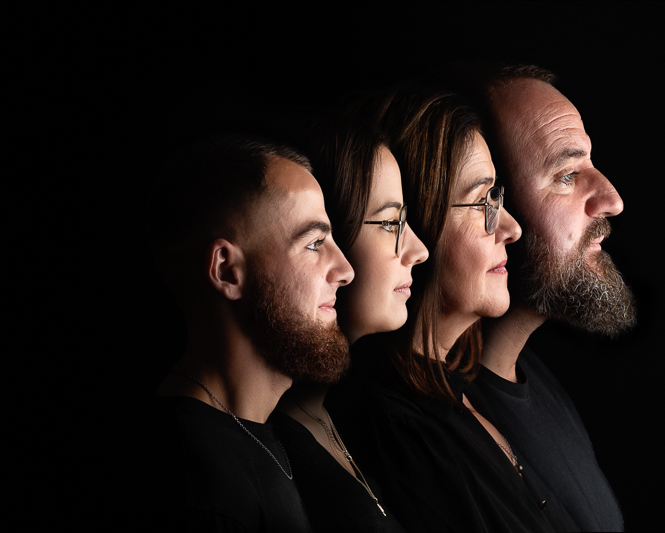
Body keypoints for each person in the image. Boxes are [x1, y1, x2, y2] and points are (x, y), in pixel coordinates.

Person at [326, 88, 578, 533]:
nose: (511, 228)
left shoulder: (465, 389)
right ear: (419, 218)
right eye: (483, 202)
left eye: (496, 198)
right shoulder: (395, 430)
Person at [444, 63, 635, 532]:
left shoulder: (540, 383)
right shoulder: (448, 434)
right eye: (567, 175)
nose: (611, 198)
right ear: (490, 200)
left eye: (590, 163)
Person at [140, 133, 354, 531]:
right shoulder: (200, 488)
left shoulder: (260, 435)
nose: (345, 270)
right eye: (314, 243)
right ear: (226, 270)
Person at [271, 112, 428, 532]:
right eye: (392, 222)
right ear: (325, 231)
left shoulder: (344, 414)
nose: (418, 249)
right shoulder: (273, 451)